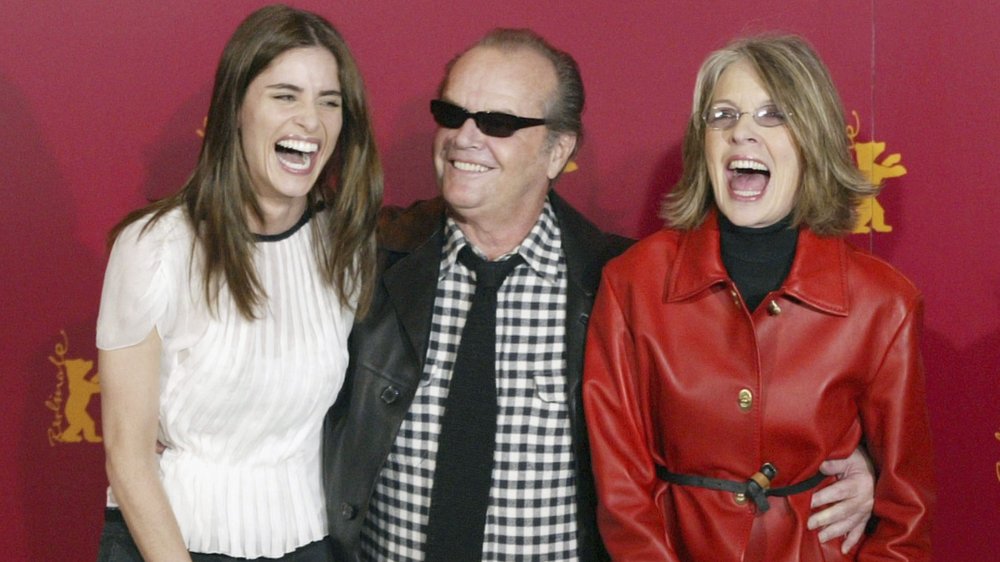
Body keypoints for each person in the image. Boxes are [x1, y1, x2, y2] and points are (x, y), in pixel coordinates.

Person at [323, 29, 875, 562]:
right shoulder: (369, 256)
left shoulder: (624, 281)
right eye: (451, 114)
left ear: (558, 149)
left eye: (497, 122)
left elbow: (730, 406)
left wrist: (850, 468)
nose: (465, 137)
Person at [583, 34, 934, 561]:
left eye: (773, 114)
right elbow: (622, 494)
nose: (741, 131)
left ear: (812, 139)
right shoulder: (632, 283)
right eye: (722, 115)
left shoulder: (884, 305)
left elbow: (907, 516)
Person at [95, 5, 382, 561]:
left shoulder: (345, 247)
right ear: (236, 109)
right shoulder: (157, 248)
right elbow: (127, 456)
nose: (311, 121)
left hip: (309, 544)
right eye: (285, 96)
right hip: (172, 545)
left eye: (329, 101)